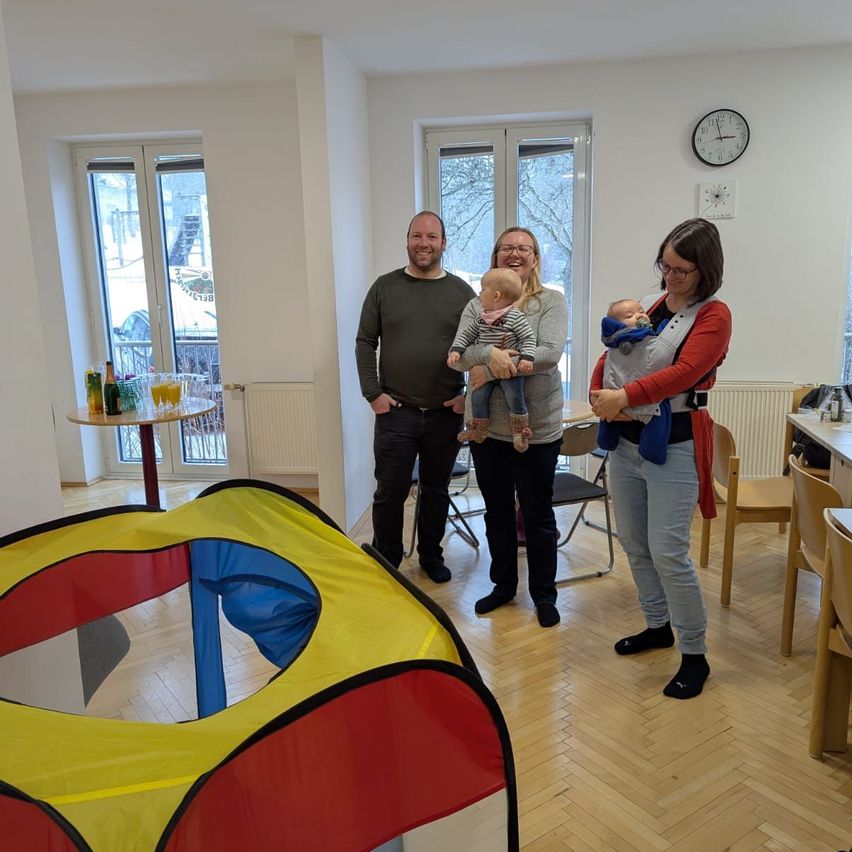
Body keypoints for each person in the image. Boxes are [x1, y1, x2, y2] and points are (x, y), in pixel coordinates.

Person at [590, 218, 732, 699]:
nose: (669, 278)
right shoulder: (654, 307)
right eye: (664, 266)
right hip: (630, 445)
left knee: (669, 552)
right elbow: (619, 351)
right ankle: (658, 626)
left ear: (705, 270)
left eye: (681, 270)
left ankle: (695, 654)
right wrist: (600, 387)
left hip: (675, 446)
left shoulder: (714, 315)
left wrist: (622, 395)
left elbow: (684, 373)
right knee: (634, 541)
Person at [450, 227, 568, 628]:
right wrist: (489, 356)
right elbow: (460, 353)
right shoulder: (476, 303)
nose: (515, 253)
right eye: (507, 248)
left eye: (524, 248)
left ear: (535, 258)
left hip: (536, 429)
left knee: (537, 515)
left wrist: (495, 364)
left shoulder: (550, 301)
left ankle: (544, 595)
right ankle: (503, 587)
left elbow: (549, 355)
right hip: (487, 431)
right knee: (497, 513)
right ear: (496, 256)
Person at [355, 211, 476, 583]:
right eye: (417, 236)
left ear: (443, 243)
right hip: (397, 412)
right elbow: (365, 342)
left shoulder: (462, 293)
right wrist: (372, 393)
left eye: (432, 237)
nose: (424, 244)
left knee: (436, 490)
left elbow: (482, 348)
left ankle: (431, 556)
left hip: (444, 411)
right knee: (389, 491)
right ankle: (386, 557)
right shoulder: (384, 287)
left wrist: (468, 397)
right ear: (407, 240)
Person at [448, 268, 536, 452]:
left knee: (514, 398)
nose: (479, 294)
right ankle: (479, 429)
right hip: (483, 368)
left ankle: (520, 431)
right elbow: (466, 335)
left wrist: (527, 358)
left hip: (509, 371)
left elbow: (528, 338)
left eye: (482, 290)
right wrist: (456, 350)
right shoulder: (482, 317)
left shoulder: (515, 317)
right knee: (478, 397)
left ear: (495, 296)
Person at [596, 298, 672, 465]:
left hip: (620, 396)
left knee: (610, 419)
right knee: (661, 412)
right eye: (630, 315)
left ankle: (607, 437)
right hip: (633, 400)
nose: (639, 316)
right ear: (615, 325)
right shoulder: (623, 340)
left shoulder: (647, 337)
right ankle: (653, 450)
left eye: (642, 311)